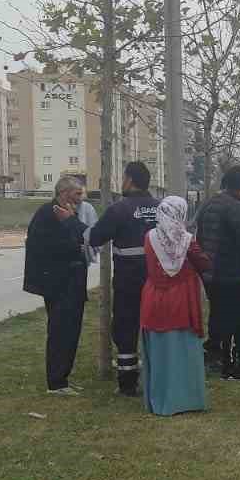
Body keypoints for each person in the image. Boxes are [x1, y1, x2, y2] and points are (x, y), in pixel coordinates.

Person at [89, 162, 160, 397]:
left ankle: (128, 383)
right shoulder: (161, 208)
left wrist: (72, 222)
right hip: (158, 281)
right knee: (158, 327)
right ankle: (158, 376)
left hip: (128, 281)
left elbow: (96, 237)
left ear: (129, 180)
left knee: (125, 329)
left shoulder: (119, 209)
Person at [141, 196, 212, 415]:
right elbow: (204, 263)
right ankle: (185, 400)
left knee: (159, 352)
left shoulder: (149, 236)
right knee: (183, 351)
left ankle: (160, 399)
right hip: (182, 300)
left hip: (154, 298)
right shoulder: (187, 240)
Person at [23, 176, 91, 395]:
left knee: (71, 332)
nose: (81, 198)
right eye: (77, 194)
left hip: (72, 283)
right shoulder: (48, 214)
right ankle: (57, 382)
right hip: (60, 285)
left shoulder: (69, 215)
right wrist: (76, 248)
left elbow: (83, 237)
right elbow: (46, 247)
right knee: (61, 332)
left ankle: (63, 377)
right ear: (63, 193)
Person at [197, 165, 240, 380]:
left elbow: (200, 237)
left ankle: (234, 357)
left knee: (221, 316)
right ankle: (231, 365)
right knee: (238, 317)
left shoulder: (209, 204)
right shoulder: (236, 207)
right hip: (229, 273)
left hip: (210, 272)